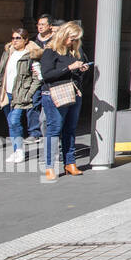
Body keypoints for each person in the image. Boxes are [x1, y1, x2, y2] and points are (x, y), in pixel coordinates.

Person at [39, 21, 91, 180]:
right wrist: (69, 68)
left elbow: (75, 76)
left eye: (76, 39)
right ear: (64, 35)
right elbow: (47, 75)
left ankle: (70, 163)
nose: (73, 42)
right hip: (54, 93)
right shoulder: (51, 50)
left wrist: (81, 70)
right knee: (54, 129)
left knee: (70, 129)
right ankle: (49, 166)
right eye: (72, 38)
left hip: (73, 93)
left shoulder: (74, 52)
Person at [0, 27, 42, 165]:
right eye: (13, 38)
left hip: (20, 94)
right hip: (6, 93)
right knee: (11, 123)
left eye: (18, 38)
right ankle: (16, 149)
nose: (14, 41)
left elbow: (37, 77)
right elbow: (1, 74)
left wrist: (29, 93)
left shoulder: (31, 55)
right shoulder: (8, 53)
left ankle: (19, 151)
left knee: (15, 121)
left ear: (26, 40)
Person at [26, 14, 54, 141]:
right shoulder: (32, 41)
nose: (40, 27)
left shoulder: (55, 41)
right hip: (35, 77)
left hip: (49, 77)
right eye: (38, 24)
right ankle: (34, 132)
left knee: (47, 105)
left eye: (43, 24)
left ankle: (46, 131)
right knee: (33, 102)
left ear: (50, 26)